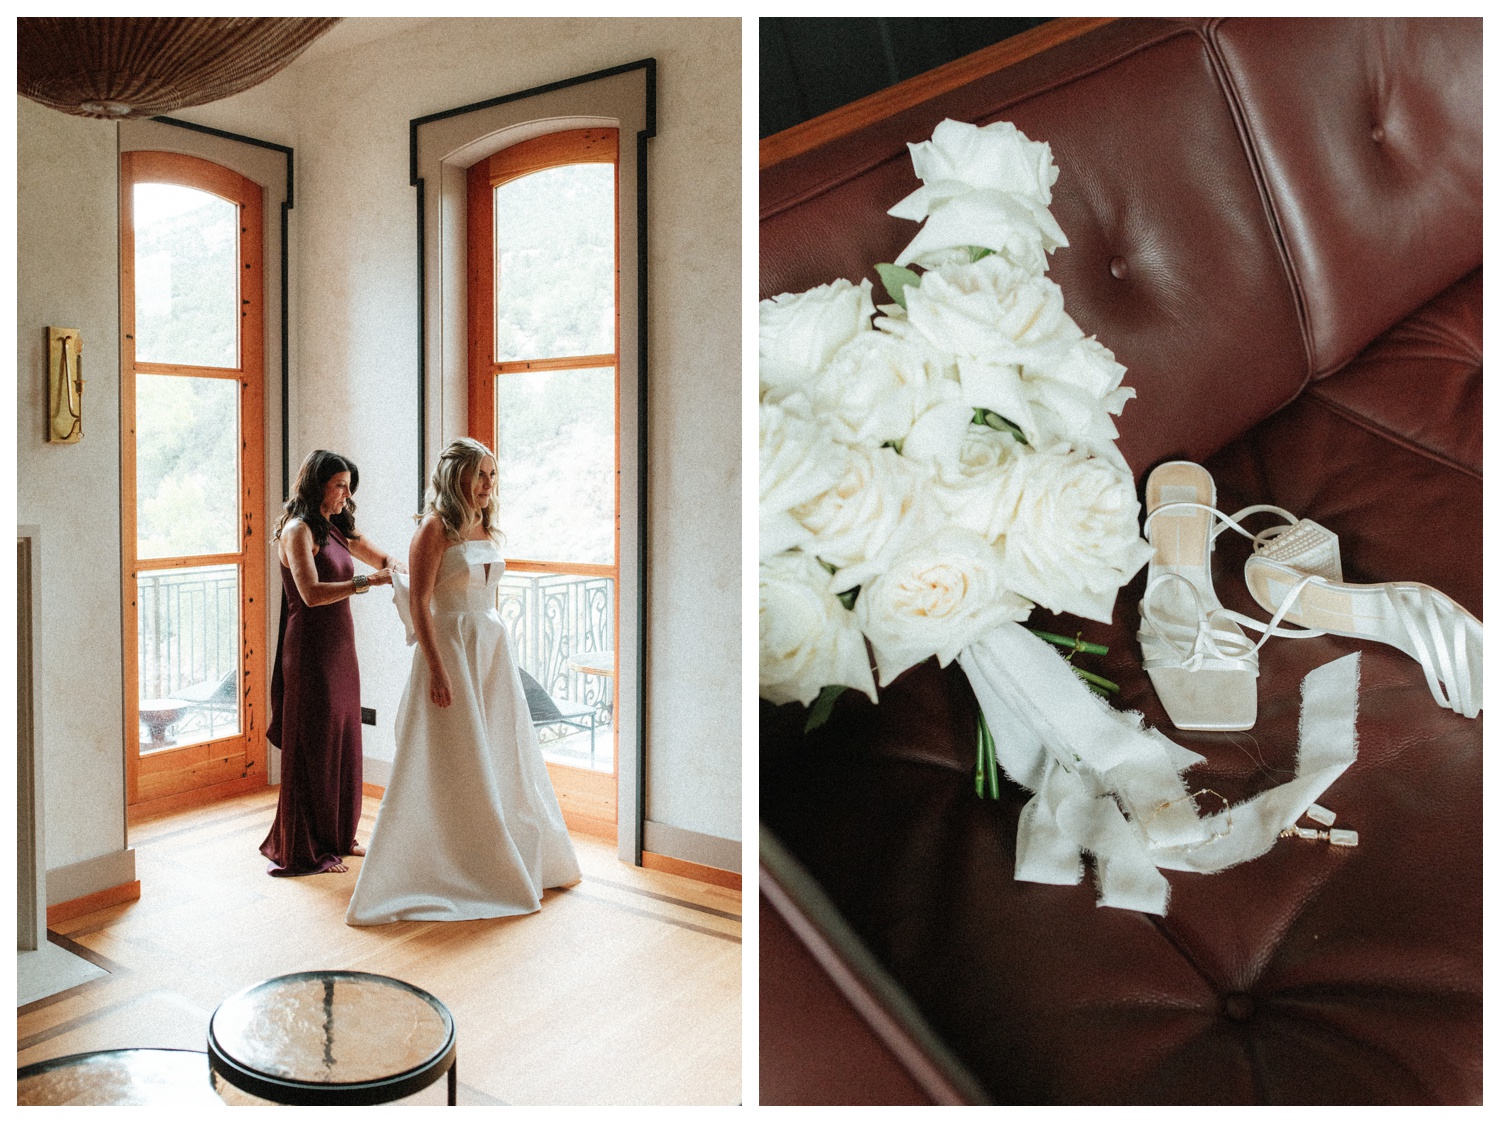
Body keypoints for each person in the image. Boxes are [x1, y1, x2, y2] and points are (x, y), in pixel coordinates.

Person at [346, 437, 580, 924]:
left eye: (492, 476)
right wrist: (436, 666)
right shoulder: (434, 528)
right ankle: (449, 864)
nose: (488, 486)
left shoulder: (484, 525)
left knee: (501, 750)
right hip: (450, 647)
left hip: (490, 647)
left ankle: (512, 854)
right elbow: (421, 602)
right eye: (480, 476)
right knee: (452, 757)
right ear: (457, 478)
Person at [261, 449, 396, 876]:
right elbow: (311, 594)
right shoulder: (298, 531)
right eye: (339, 485)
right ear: (317, 485)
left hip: (340, 647)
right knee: (314, 742)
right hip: (309, 649)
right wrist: (363, 582)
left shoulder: (338, 527)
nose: (346, 493)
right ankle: (306, 846)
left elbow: (384, 560)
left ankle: (339, 836)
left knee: (343, 736)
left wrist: (408, 569)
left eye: (348, 485)